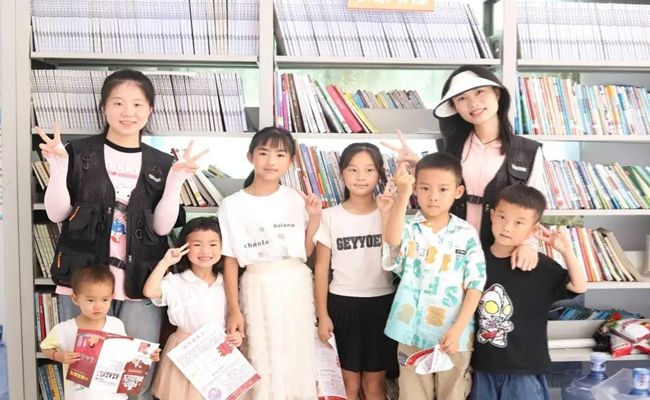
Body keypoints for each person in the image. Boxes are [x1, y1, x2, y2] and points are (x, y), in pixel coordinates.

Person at [35, 69, 207, 399]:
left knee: (135, 375)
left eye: (137, 104)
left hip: (141, 280)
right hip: (85, 278)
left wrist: (176, 180)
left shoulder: (161, 163)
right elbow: (57, 214)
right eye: (118, 103)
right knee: (85, 373)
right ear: (103, 108)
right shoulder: (78, 153)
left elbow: (161, 228)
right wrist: (58, 167)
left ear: (150, 110)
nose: (128, 112)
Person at [382, 65, 546, 270]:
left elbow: (534, 203)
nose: (473, 103)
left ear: (497, 93)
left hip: (502, 252)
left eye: (479, 92)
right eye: (461, 98)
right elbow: (437, 191)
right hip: (449, 253)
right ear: (454, 107)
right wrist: (418, 167)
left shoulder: (527, 151)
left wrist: (529, 245)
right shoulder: (448, 148)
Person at [218, 127, 322, 399]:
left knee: (296, 354)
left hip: (295, 283)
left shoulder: (295, 199)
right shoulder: (232, 205)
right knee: (262, 355)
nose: (271, 161)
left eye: (280, 154)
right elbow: (230, 260)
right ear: (250, 156)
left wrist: (314, 218)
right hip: (256, 284)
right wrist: (234, 309)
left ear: (291, 161)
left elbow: (305, 251)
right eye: (263, 153)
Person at [382, 152, 486, 400]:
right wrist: (402, 196)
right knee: (412, 395)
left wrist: (458, 329)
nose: (433, 196)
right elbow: (392, 240)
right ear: (416, 189)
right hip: (411, 332)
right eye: (425, 188)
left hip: (453, 336)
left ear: (458, 192)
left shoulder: (466, 233)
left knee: (453, 394)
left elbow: (475, 286)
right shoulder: (409, 227)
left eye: (443, 189)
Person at [470, 185, 586, 400]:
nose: (507, 227)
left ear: (533, 229)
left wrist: (567, 251)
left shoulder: (539, 266)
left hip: (525, 370)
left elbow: (578, 287)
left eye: (519, 222)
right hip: (482, 368)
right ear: (492, 215)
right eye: (502, 217)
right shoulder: (475, 260)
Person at [314, 143, 397, 400]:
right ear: (341, 173)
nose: (361, 177)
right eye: (353, 169)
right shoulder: (329, 216)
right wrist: (322, 315)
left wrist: (388, 214)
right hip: (342, 304)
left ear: (380, 173)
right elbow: (320, 269)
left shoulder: (390, 213)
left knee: (375, 385)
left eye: (369, 170)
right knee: (347, 385)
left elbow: (397, 255)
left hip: (381, 304)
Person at [143, 217, 242, 400]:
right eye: (197, 244)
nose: (205, 251)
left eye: (213, 244)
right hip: (185, 349)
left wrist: (235, 337)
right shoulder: (177, 282)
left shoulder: (227, 284)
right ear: (185, 247)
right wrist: (166, 262)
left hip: (218, 349)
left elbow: (233, 319)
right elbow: (150, 291)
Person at [40, 266, 159, 400]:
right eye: (90, 300)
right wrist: (58, 356)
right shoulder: (64, 329)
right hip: (80, 396)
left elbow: (126, 352)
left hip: (114, 396)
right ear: (75, 299)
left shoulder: (116, 324)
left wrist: (148, 355)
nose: (98, 306)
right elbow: (45, 347)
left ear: (111, 298)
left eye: (105, 300)